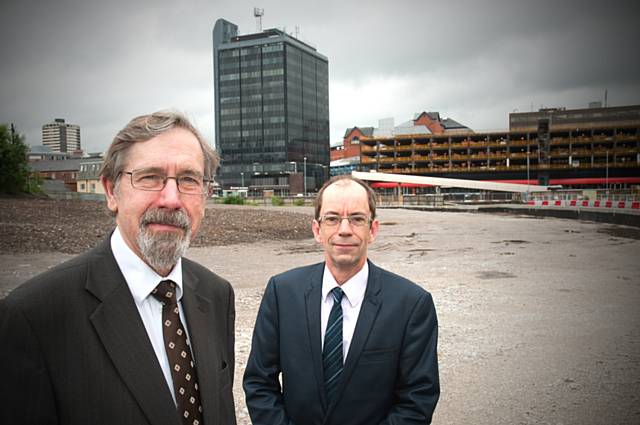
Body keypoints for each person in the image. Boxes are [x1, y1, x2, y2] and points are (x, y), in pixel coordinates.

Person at [0, 111, 236, 425]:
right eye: (150, 177)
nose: (171, 199)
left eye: (188, 180)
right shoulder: (34, 315)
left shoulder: (217, 294)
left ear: (205, 195)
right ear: (111, 191)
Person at [243, 175, 440, 425]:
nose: (344, 230)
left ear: (373, 230)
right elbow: (259, 383)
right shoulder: (282, 293)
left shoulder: (412, 304)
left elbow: (417, 400)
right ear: (318, 229)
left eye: (357, 219)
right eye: (333, 219)